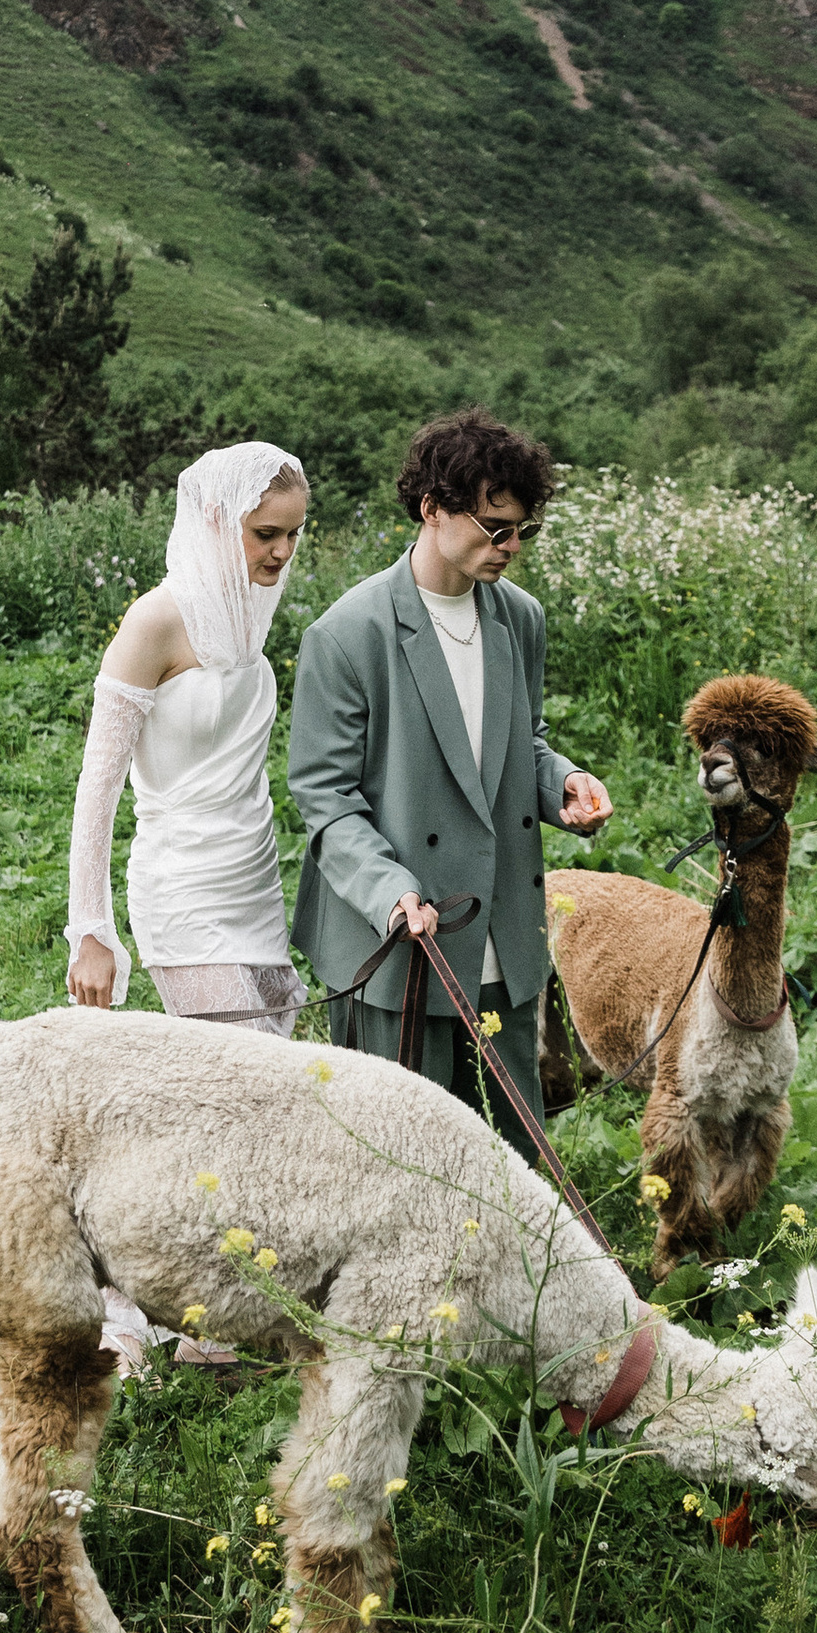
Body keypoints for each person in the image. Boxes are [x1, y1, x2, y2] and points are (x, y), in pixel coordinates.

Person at [286, 406, 609, 1157]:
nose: (512, 547)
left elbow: (518, 746)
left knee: (510, 1161)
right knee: (396, 1163)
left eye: (523, 530)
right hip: (404, 940)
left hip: (502, 929)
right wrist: (385, 888)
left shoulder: (520, 619)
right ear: (433, 507)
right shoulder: (347, 633)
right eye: (496, 527)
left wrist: (561, 783)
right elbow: (325, 799)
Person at [65, 442, 310, 1026]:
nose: (282, 551)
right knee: (239, 1080)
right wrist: (91, 931)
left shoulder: (252, 603)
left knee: (275, 1073)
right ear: (216, 520)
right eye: (266, 533)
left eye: (295, 533)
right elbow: (98, 786)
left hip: (254, 875)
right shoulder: (154, 622)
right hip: (185, 886)